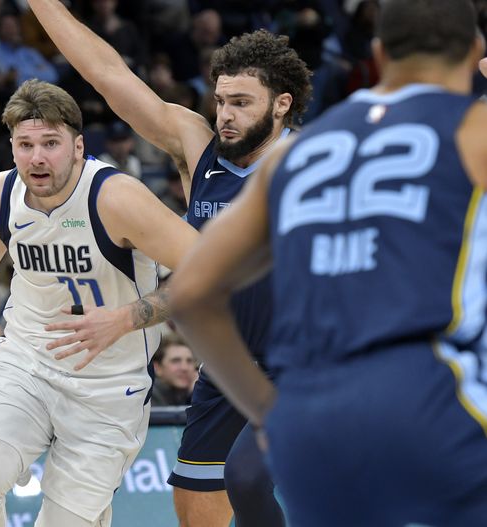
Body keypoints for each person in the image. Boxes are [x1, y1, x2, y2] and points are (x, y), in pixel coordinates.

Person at [170, 1, 487, 525]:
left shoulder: (300, 155)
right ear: (474, 51)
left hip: (309, 417)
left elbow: (189, 295)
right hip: (428, 397)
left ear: (380, 53)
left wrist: (267, 412)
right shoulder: (473, 130)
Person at [26, 2, 312, 524]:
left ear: (281, 104)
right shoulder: (196, 145)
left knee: (247, 480)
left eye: (242, 103)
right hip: (227, 366)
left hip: (304, 363)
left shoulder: (314, 163)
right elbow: (109, 76)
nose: (225, 114)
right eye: (221, 100)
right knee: (194, 509)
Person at [0, 79, 197, 526]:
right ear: (12, 148)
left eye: (50, 143)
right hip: (27, 365)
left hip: (108, 388)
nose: (37, 157)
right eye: (25, 144)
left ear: (78, 147)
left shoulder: (116, 198)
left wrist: (126, 318)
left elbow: (207, 269)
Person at [150, 334, 197, 407]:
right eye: (176, 361)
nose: (184, 368)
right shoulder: (148, 397)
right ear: (157, 368)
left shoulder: (187, 393)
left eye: (189, 361)